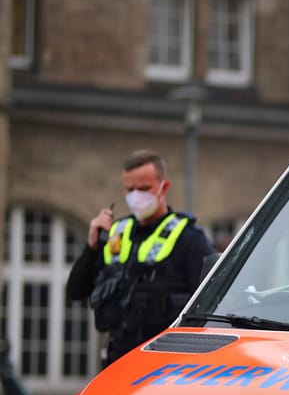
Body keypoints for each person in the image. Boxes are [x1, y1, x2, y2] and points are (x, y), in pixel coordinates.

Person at [67, 149, 212, 367]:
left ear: (164, 187)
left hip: (164, 363)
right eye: (130, 189)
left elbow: (207, 306)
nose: (136, 196)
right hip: (117, 359)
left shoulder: (189, 238)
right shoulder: (117, 233)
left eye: (144, 189)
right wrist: (92, 247)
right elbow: (75, 291)